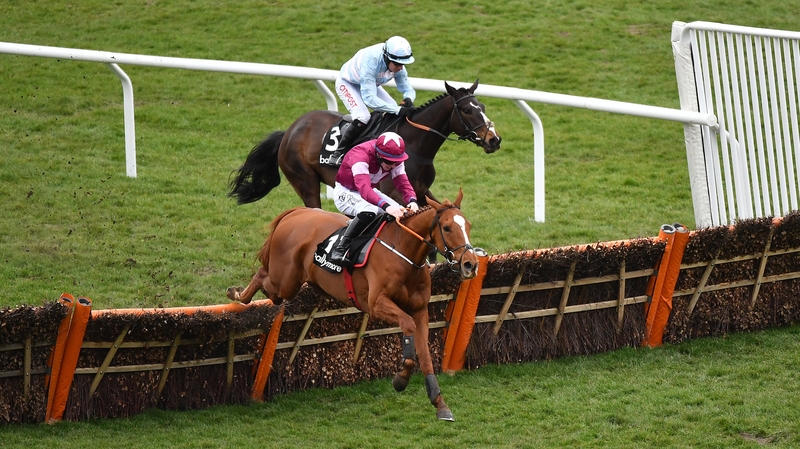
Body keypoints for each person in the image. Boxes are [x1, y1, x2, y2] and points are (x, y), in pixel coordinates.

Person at [329, 132, 420, 265]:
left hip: (370, 191)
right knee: (370, 210)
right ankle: (339, 249)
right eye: (389, 162)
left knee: (403, 213)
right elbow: (364, 188)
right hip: (346, 191)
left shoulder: (395, 160)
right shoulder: (360, 156)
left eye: (396, 162)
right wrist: (386, 207)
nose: (393, 166)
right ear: (378, 155)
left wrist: (412, 200)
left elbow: (403, 183)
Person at [334, 36, 417, 155]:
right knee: (363, 116)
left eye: (403, 64)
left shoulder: (396, 63)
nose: (400, 67)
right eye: (397, 64)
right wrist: (397, 110)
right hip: (348, 83)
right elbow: (369, 99)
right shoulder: (371, 61)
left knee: (391, 107)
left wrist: (408, 98)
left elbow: (408, 89)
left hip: (369, 84)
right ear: (387, 58)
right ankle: (339, 152)